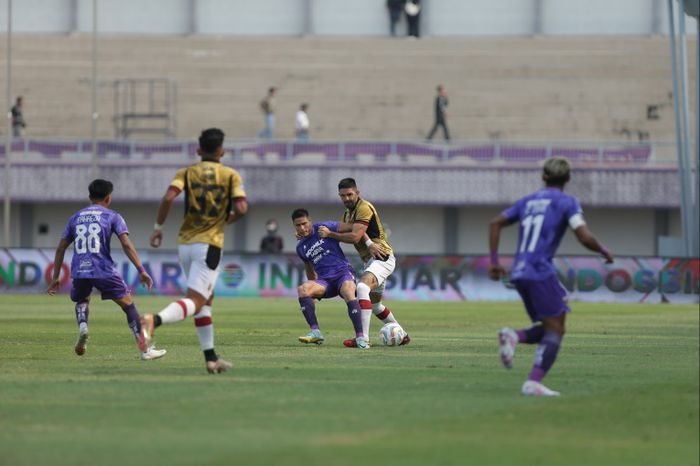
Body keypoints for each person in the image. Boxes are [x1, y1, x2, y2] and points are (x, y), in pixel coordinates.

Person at [488, 156, 614, 397]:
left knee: (552, 325)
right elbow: (584, 236)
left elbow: (495, 223)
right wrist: (604, 250)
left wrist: (494, 262)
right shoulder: (567, 202)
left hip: (521, 271)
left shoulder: (528, 201)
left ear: (543, 176)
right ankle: (533, 381)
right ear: (568, 178)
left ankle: (515, 336)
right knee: (556, 329)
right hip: (539, 270)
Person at [143, 128, 248, 374]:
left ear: (198, 150)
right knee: (197, 300)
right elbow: (242, 208)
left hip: (185, 243)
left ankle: (211, 358)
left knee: (205, 302)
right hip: (209, 244)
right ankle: (153, 320)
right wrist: (222, 221)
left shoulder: (186, 172)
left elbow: (169, 198)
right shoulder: (230, 174)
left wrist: (158, 228)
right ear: (222, 151)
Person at [47, 179, 166, 361]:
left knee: (82, 299)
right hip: (103, 269)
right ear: (108, 198)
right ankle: (144, 350)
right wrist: (141, 269)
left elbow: (61, 248)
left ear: (89, 197)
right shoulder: (113, 216)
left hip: (80, 269)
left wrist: (56, 277)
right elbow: (126, 244)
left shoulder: (75, 217)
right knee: (128, 305)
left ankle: (83, 327)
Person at [318, 178, 410, 348]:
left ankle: (363, 338)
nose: (346, 198)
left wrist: (330, 234)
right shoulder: (347, 214)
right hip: (371, 260)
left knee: (361, 288)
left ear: (357, 193)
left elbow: (354, 236)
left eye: (349, 194)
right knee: (375, 306)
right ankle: (403, 335)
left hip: (382, 256)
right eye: (342, 196)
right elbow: (355, 231)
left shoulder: (364, 207)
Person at [293, 208, 366, 348]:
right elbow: (310, 272)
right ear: (294, 226)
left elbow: (352, 227)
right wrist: (312, 295)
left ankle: (361, 337)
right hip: (325, 282)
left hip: (342, 273)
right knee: (303, 289)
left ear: (310, 221)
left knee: (348, 291)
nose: (302, 228)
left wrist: (331, 234)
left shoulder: (325, 227)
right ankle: (315, 332)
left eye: (304, 223)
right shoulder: (301, 247)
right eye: (298, 225)